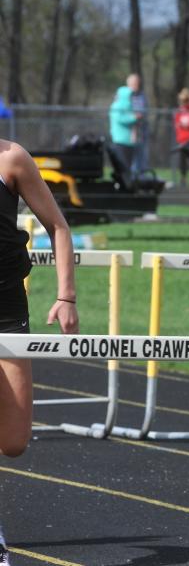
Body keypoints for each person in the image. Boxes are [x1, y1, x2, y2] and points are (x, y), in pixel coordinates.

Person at [1, 139, 79, 560]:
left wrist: (66, 296)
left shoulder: (11, 159)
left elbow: (59, 227)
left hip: (7, 308)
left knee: (14, 441)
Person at [108, 83, 139, 172]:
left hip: (129, 142)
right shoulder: (116, 106)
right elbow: (120, 119)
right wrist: (134, 117)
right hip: (120, 141)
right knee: (122, 166)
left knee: (128, 166)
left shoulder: (129, 107)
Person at [127, 74, 150, 174]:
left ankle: (141, 175)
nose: (135, 85)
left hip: (141, 130)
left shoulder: (142, 96)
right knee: (130, 155)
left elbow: (145, 110)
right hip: (128, 131)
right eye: (132, 83)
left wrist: (139, 116)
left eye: (136, 83)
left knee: (141, 154)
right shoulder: (124, 96)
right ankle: (131, 175)